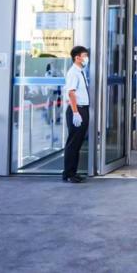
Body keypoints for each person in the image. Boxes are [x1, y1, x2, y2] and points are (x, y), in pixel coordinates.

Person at [63, 46, 90, 183]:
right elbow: (71, 93)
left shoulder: (81, 72)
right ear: (77, 57)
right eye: (84, 55)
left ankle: (73, 172)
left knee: (78, 142)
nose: (86, 58)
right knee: (73, 143)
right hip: (77, 109)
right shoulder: (73, 72)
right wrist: (75, 113)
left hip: (82, 109)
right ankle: (69, 174)